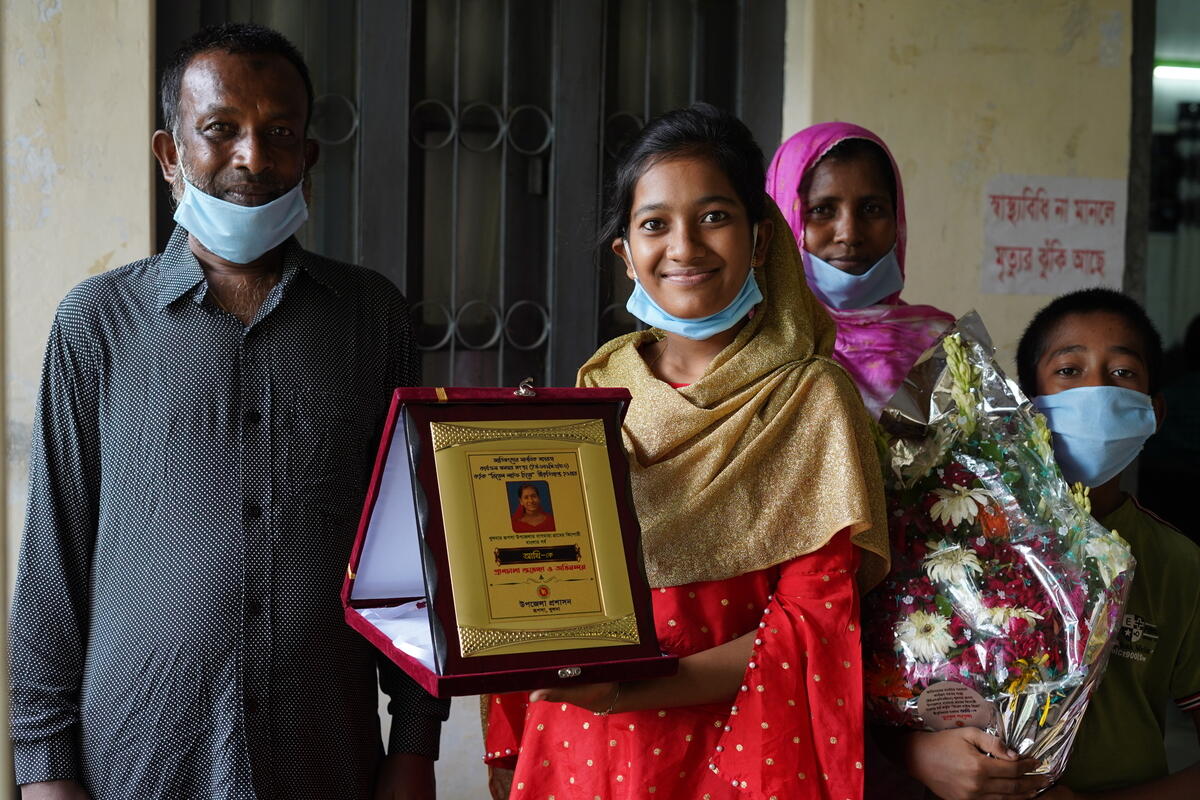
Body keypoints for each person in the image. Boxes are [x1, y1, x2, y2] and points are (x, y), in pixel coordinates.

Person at [8, 23, 448, 800]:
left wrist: (414, 742)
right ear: (170, 154)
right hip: (138, 765)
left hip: (325, 759)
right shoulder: (97, 325)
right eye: (220, 130)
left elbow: (412, 543)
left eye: (279, 132)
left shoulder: (372, 318)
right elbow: (54, 564)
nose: (253, 156)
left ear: (308, 157)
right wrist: (45, 772)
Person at [483, 104, 890, 799]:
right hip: (583, 747)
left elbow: (811, 627)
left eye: (714, 217)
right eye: (654, 224)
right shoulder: (596, 387)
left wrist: (633, 689)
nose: (685, 247)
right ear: (625, 254)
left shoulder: (813, 398)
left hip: (735, 749)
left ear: (761, 239)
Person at [899, 288, 1200, 800]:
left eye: (1123, 373)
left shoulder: (1176, 562)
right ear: (1029, 405)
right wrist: (916, 755)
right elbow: (867, 697)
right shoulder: (953, 537)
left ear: (1154, 413)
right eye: (1069, 371)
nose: (1097, 391)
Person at [765, 123, 955, 418]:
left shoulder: (943, 349)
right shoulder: (749, 345)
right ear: (781, 218)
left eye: (871, 209)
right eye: (822, 210)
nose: (850, 234)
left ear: (897, 220)